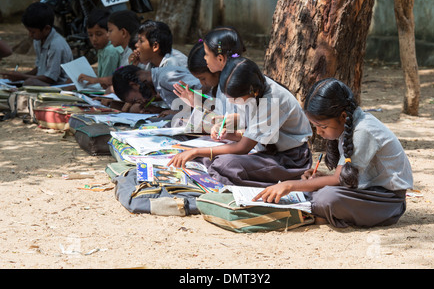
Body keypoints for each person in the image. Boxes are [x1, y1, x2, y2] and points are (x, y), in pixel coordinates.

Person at [254, 78, 413, 228]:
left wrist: (290, 185)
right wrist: (323, 178)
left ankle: (327, 214)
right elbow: (345, 177)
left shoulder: (363, 131)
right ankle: (328, 214)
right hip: (367, 192)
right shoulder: (348, 126)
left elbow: (338, 179)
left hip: (387, 202)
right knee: (319, 191)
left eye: (322, 127)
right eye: (315, 126)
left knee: (327, 197)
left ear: (343, 116)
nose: (319, 132)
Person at [167, 57, 313, 188]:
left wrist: (197, 151)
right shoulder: (254, 87)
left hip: (289, 160)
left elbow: (243, 147)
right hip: (264, 150)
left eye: (236, 99)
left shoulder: (271, 102)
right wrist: (226, 134)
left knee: (225, 165)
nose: (233, 103)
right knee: (205, 155)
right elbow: (251, 135)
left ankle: (287, 181)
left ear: (253, 91)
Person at [0, 2, 72, 86]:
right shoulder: (38, 40)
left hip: (60, 86)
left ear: (46, 28)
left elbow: (50, 79)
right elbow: (39, 68)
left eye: (32, 32)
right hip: (46, 82)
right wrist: (19, 76)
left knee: (30, 82)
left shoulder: (56, 45)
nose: (30, 35)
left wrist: (22, 76)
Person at [77, 9, 140, 89]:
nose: (107, 35)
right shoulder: (126, 52)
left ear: (123, 32)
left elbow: (123, 81)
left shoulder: (132, 54)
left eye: (110, 31)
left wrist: (96, 80)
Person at [111, 64, 201, 114]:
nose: (142, 101)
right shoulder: (159, 85)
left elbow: (205, 94)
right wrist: (160, 111)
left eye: (135, 99)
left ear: (134, 85)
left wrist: (177, 113)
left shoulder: (165, 78)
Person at [77, 9, 121, 88]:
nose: (94, 39)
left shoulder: (110, 51)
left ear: (109, 32)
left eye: (99, 34)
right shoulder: (103, 49)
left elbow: (105, 84)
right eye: (90, 35)